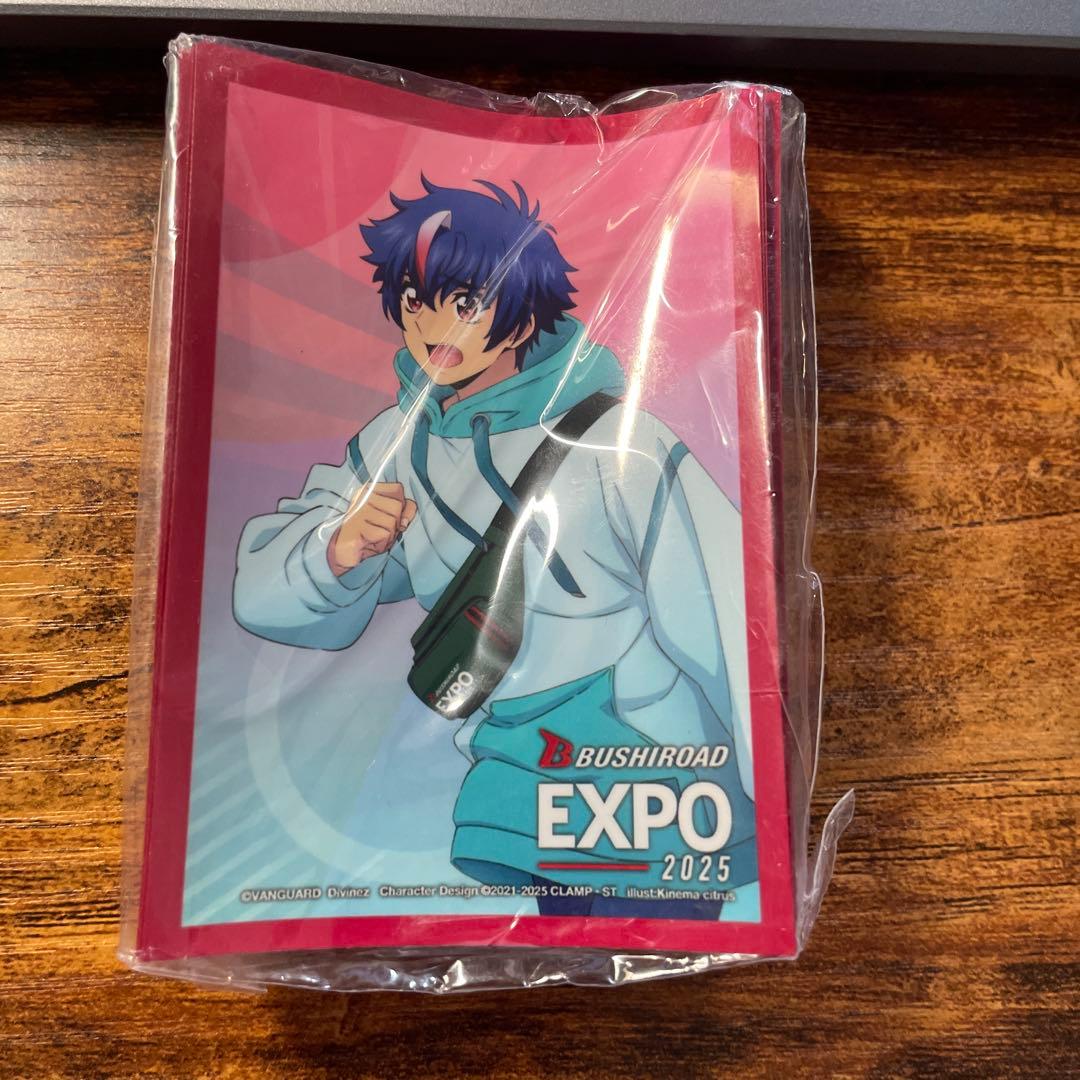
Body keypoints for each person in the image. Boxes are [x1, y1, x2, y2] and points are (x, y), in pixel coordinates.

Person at [234, 177, 758, 917]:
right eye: (415, 298)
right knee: (562, 958)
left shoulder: (623, 443)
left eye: (467, 301)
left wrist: (769, 784)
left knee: (646, 941)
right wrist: (335, 551)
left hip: (647, 757)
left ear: (522, 315)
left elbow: (726, 616)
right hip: (514, 760)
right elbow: (261, 597)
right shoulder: (399, 445)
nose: (433, 324)